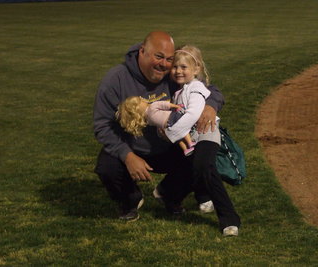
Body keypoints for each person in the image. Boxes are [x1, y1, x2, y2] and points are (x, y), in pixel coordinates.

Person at [93, 31, 224, 222]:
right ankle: (130, 200)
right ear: (142, 51)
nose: (164, 64)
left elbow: (211, 90)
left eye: (169, 59)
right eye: (159, 56)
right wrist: (127, 156)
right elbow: (102, 125)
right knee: (107, 167)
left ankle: (171, 195)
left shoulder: (173, 74)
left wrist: (211, 105)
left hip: (169, 146)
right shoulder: (115, 80)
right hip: (133, 148)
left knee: (199, 155)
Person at [162, 45, 241, 236]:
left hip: (206, 133)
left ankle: (229, 219)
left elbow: (193, 115)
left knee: (204, 167)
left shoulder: (196, 88)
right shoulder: (181, 89)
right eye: (175, 67)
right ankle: (169, 194)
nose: (178, 71)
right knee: (194, 168)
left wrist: (171, 132)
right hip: (192, 136)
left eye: (183, 67)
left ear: (196, 69)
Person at [116, 96, 196, 156]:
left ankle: (185, 149)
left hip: (166, 128)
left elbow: (157, 124)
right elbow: (165, 105)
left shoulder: (147, 120)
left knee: (178, 138)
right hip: (171, 118)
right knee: (182, 128)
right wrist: (176, 106)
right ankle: (190, 143)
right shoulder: (152, 106)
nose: (143, 100)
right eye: (141, 100)